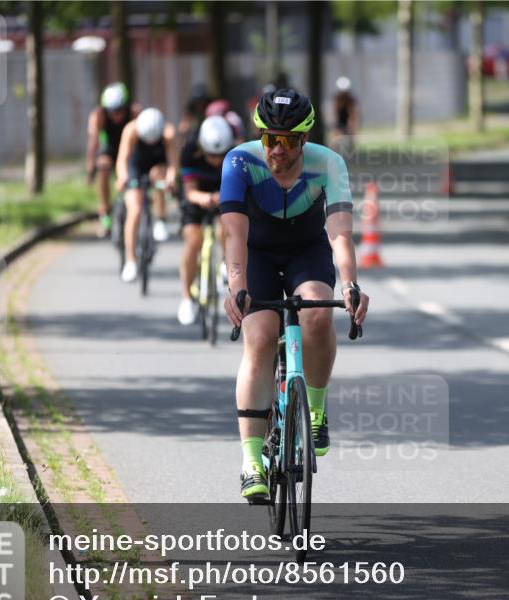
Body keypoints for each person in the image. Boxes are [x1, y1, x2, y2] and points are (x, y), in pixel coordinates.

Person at [220, 88, 370, 502]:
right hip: (256, 254)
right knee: (262, 336)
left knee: (318, 313)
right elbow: (234, 233)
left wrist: (350, 284)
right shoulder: (239, 161)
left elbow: (339, 232)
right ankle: (251, 460)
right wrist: (238, 288)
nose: (277, 149)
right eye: (270, 138)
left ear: (304, 140)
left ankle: (316, 412)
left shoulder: (329, 163)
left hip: (307, 251)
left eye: (286, 141)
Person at [177, 115, 234, 325]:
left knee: (228, 229)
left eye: (220, 155)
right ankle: (186, 297)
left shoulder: (235, 153)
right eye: (211, 155)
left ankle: (225, 266)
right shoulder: (189, 151)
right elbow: (189, 192)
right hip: (196, 197)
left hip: (223, 196)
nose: (216, 160)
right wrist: (206, 198)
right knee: (193, 242)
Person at [115, 108, 177, 283]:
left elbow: (173, 163)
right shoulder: (131, 130)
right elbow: (122, 159)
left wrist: (171, 179)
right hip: (136, 164)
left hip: (157, 164)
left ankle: (161, 218)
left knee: (159, 178)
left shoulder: (168, 133)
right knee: (134, 211)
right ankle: (130, 260)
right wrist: (122, 178)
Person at [86, 83, 141, 238]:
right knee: (102, 166)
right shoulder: (98, 115)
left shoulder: (135, 112)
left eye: (120, 110)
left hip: (130, 148)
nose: (117, 115)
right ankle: (105, 214)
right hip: (110, 148)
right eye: (112, 111)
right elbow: (94, 142)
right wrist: (90, 166)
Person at [329, 76, 360, 158]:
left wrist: (352, 126)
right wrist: (335, 126)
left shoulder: (351, 100)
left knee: (351, 139)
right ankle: (333, 155)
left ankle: (352, 155)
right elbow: (335, 113)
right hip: (339, 122)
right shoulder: (337, 99)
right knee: (334, 140)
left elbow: (353, 114)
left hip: (348, 121)